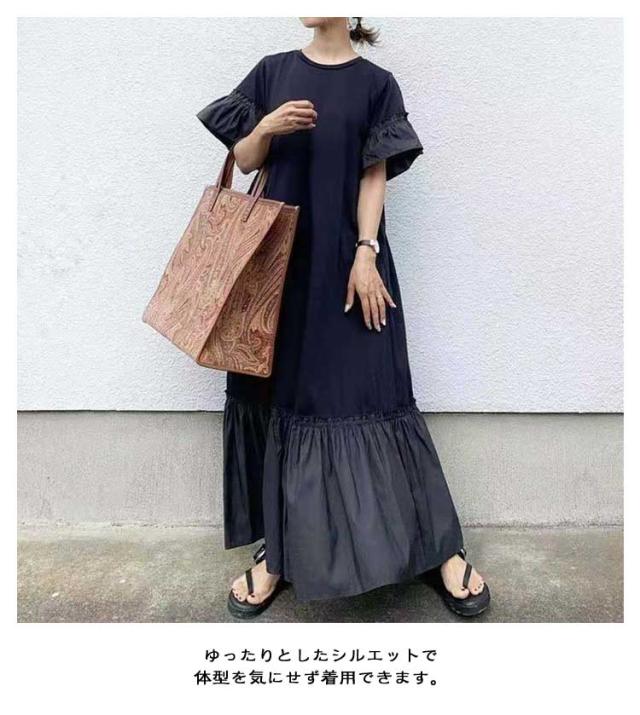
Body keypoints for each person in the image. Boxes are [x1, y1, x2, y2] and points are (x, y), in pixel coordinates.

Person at [197, 16, 490, 618]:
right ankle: (278, 553)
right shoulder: (273, 71)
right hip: (277, 270)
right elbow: (244, 161)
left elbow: (373, 174)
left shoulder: (376, 84)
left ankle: (437, 547)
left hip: (349, 261)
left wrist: (365, 252)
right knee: (284, 396)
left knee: (377, 393)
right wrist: (267, 126)